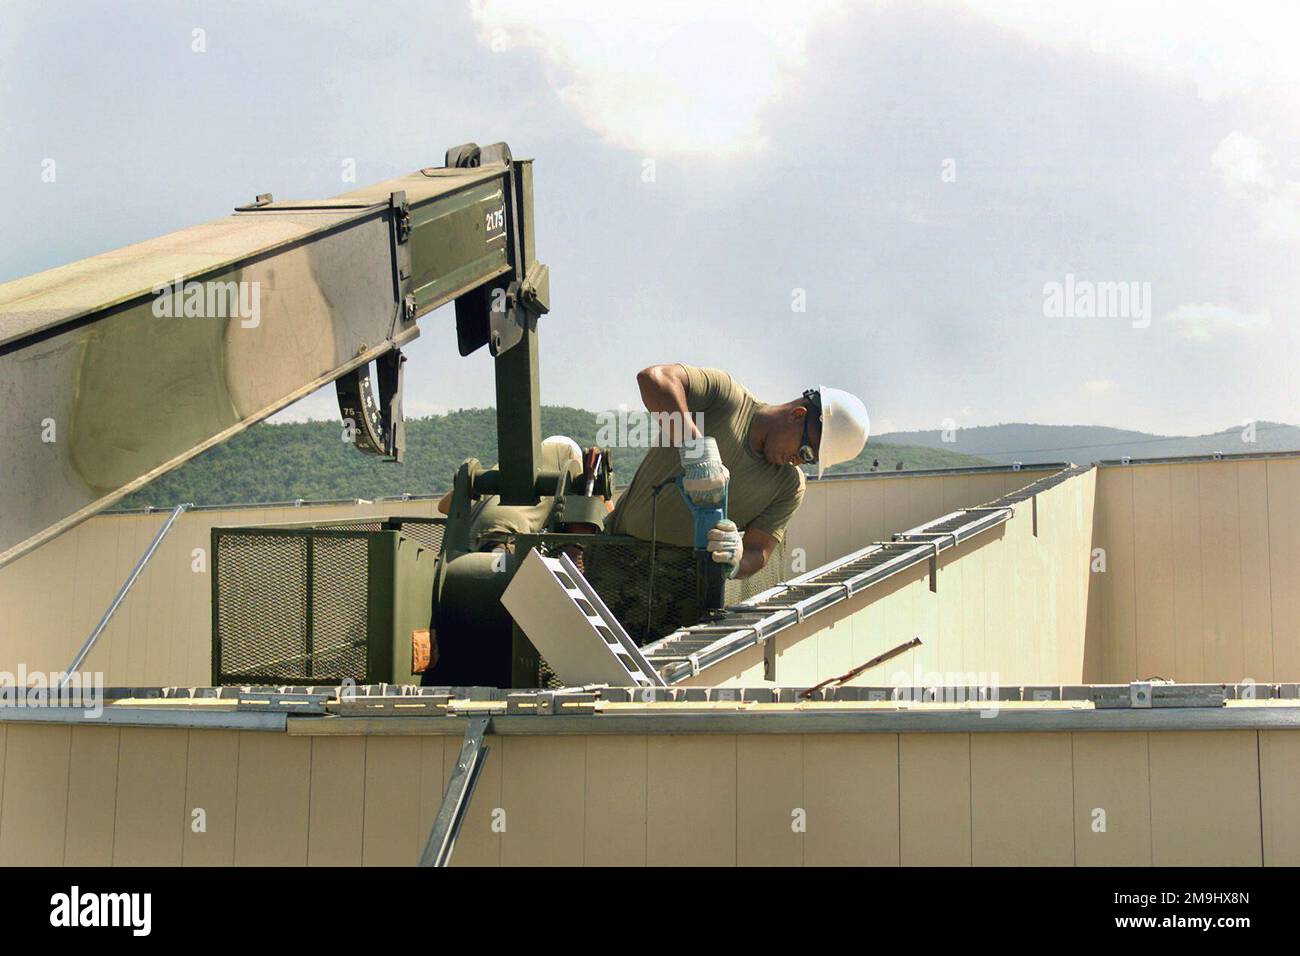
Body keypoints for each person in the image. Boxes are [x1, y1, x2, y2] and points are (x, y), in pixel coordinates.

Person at [598, 364, 869, 640]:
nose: (799, 461)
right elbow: (654, 379)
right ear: (797, 416)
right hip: (616, 560)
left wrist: (737, 559)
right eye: (805, 450)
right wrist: (694, 447)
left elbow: (758, 551)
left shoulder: (789, 486)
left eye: (810, 460)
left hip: (685, 591)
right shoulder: (726, 401)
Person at [437, 436, 608, 551]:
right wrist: (595, 483)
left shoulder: (500, 474)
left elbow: (444, 506)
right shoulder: (564, 473)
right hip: (506, 542)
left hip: (467, 543)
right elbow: (603, 518)